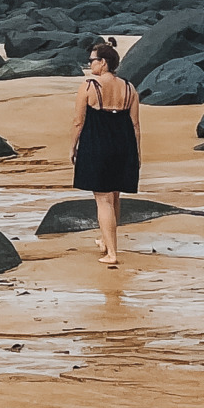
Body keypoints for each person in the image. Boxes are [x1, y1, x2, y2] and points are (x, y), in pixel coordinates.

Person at [69, 37, 141, 268]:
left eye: (92, 61)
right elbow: (136, 126)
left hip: (97, 144)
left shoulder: (90, 86)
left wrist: (72, 146)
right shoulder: (130, 88)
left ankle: (112, 253)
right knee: (115, 196)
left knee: (103, 200)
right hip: (124, 145)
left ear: (103, 63)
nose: (90, 65)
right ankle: (106, 241)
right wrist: (138, 153)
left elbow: (78, 122)